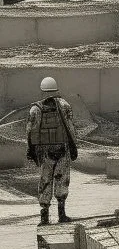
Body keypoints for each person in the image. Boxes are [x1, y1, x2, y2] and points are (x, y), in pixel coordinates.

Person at [26, 77, 78, 225]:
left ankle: (44, 218)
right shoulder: (65, 105)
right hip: (62, 149)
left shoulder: (35, 109)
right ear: (56, 88)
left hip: (45, 152)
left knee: (45, 181)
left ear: (42, 89)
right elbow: (71, 128)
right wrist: (74, 147)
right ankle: (62, 215)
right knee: (62, 180)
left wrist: (30, 150)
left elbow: (29, 131)